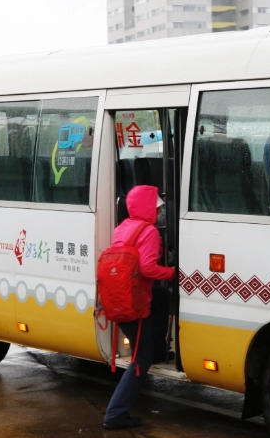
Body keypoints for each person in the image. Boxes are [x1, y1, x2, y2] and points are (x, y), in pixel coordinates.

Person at [104, 184, 175, 430]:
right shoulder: (150, 232)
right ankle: (115, 415)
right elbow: (146, 268)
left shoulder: (124, 227)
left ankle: (157, 348)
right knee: (139, 360)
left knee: (161, 295)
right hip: (135, 305)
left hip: (118, 300)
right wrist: (172, 272)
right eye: (158, 207)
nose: (161, 211)